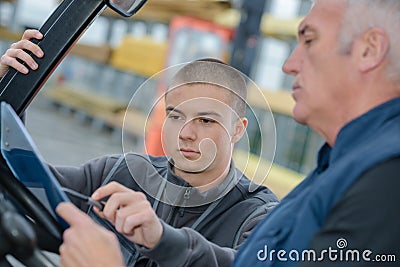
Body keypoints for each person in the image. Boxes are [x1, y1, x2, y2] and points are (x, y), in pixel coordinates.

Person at [41, 0, 400, 266]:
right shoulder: (338, 172)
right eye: (176, 116)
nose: (289, 64)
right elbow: (25, 179)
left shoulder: (382, 182)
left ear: (370, 50)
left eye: (309, 40)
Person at [0, 31, 279, 267]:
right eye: (175, 115)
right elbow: (21, 183)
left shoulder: (259, 214)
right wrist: (9, 94)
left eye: (205, 120)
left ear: (238, 129)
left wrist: (160, 238)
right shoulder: (119, 174)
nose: (186, 134)